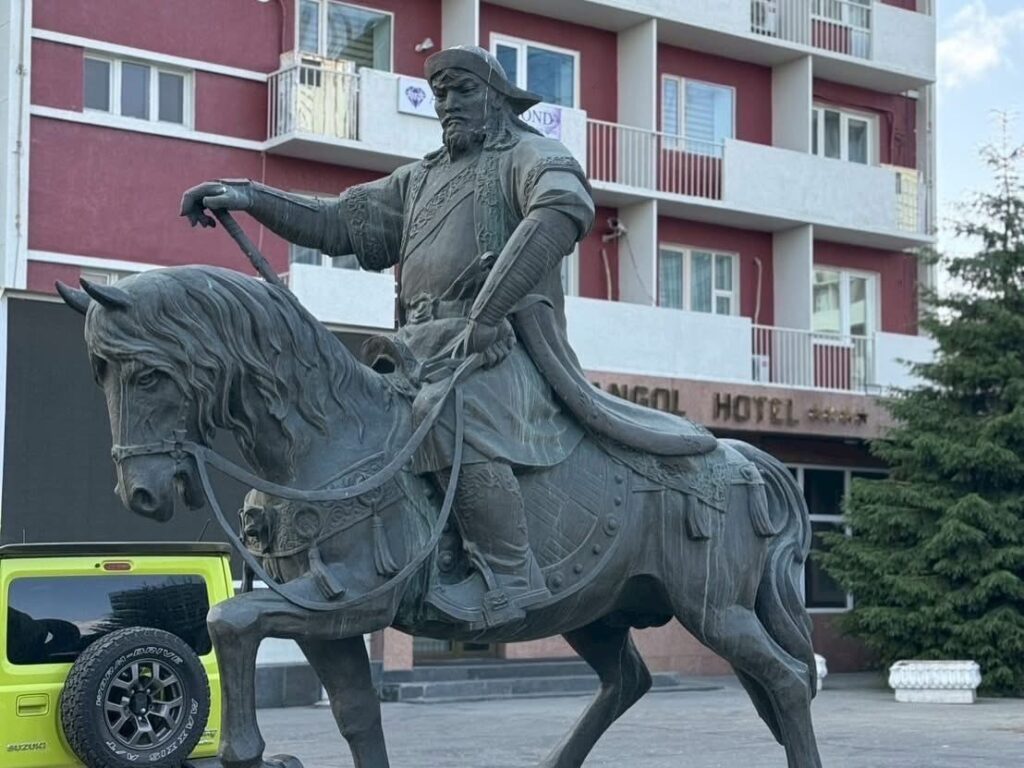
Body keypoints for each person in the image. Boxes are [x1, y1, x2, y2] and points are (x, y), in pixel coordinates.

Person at [181, 46, 716, 627]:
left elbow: (562, 206)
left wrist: (488, 311)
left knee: (446, 412)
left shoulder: (531, 154)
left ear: (498, 99)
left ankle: (508, 575)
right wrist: (249, 196)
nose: (449, 104)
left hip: (500, 350)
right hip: (415, 350)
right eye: (441, 94)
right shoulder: (420, 180)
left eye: (463, 91)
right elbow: (336, 223)